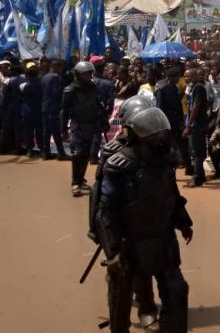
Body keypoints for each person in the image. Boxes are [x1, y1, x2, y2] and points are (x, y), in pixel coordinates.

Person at [94, 107, 193, 333]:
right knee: (121, 294)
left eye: (161, 133)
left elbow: (172, 193)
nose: (159, 138)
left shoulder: (166, 159)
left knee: (177, 290)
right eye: (153, 134)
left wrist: (183, 221)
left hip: (163, 237)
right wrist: (113, 251)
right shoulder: (119, 165)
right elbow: (106, 211)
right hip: (130, 241)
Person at [89, 95, 159, 331]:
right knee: (119, 272)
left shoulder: (157, 149)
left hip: (145, 220)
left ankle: (147, 308)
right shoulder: (112, 151)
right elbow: (100, 195)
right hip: (116, 221)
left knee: (144, 266)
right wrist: (102, 231)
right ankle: (119, 322)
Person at [62, 61, 107, 197]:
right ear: (78, 74)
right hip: (77, 124)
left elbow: (100, 105)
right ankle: (75, 182)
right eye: (85, 73)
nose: (89, 75)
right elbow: (64, 111)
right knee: (77, 152)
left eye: (90, 73)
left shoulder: (94, 88)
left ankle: (80, 178)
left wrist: (105, 121)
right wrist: (63, 128)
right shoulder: (70, 90)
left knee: (86, 154)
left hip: (92, 125)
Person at [183, 68, 211, 188]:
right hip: (197, 123)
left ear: (194, 76)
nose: (185, 79)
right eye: (184, 76)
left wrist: (189, 125)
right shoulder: (193, 88)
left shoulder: (198, 87)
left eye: (188, 77)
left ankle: (197, 177)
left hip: (198, 124)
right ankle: (201, 175)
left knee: (197, 152)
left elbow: (196, 106)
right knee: (196, 150)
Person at [41, 59, 68, 160]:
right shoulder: (57, 78)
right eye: (60, 67)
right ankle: (61, 153)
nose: (62, 69)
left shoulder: (44, 77)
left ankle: (46, 152)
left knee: (46, 131)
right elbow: (58, 94)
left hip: (44, 107)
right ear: (55, 66)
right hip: (53, 108)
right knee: (56, 131)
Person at [19, 61, 44, 158]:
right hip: (39, 110)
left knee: (28, 131)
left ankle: (30, 150)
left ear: (26, 75)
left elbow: (21, 98)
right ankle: (42, 149)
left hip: (27, 110)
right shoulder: (42, 84)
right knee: (39, 131)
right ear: (37, 74)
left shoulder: (22, 85)